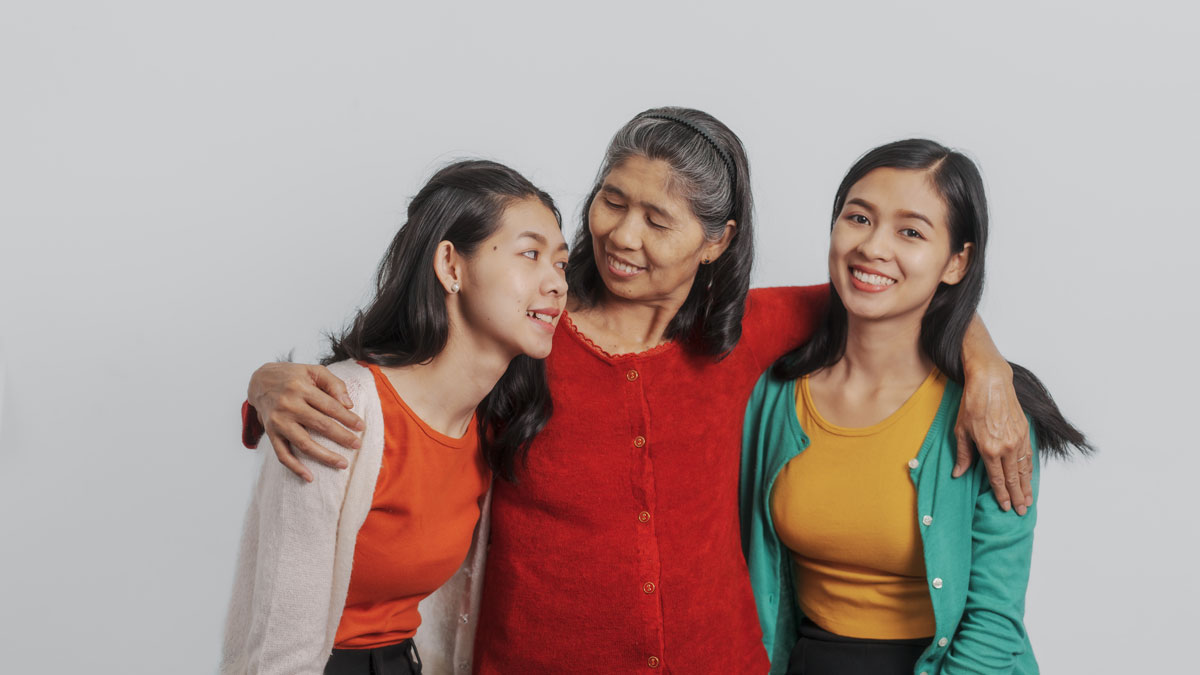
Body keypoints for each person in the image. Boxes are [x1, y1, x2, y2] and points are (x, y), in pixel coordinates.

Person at [240, 109, 1034, 673]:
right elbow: (403, 384)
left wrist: (988, 367)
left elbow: (885, 291)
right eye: (613, 201)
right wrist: (267, 385)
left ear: (717, 242)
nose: (623, 234)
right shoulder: (529, 328)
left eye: (660, 219)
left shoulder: (742, 334)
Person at [740, 139, 1091, 675]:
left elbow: (993, 624)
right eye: (858, 218)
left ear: (956, 262)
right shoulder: (772, 390)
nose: (874, 247)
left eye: (911, 232)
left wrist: (987, 366)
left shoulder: (992, 414)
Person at [221, 160, 569, 675]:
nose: (557, 283)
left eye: (561, 263)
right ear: (451, 266)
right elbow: (281, 642)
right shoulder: (336, 412)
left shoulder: (488, 425)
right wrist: (262, 385)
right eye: (530, 253)